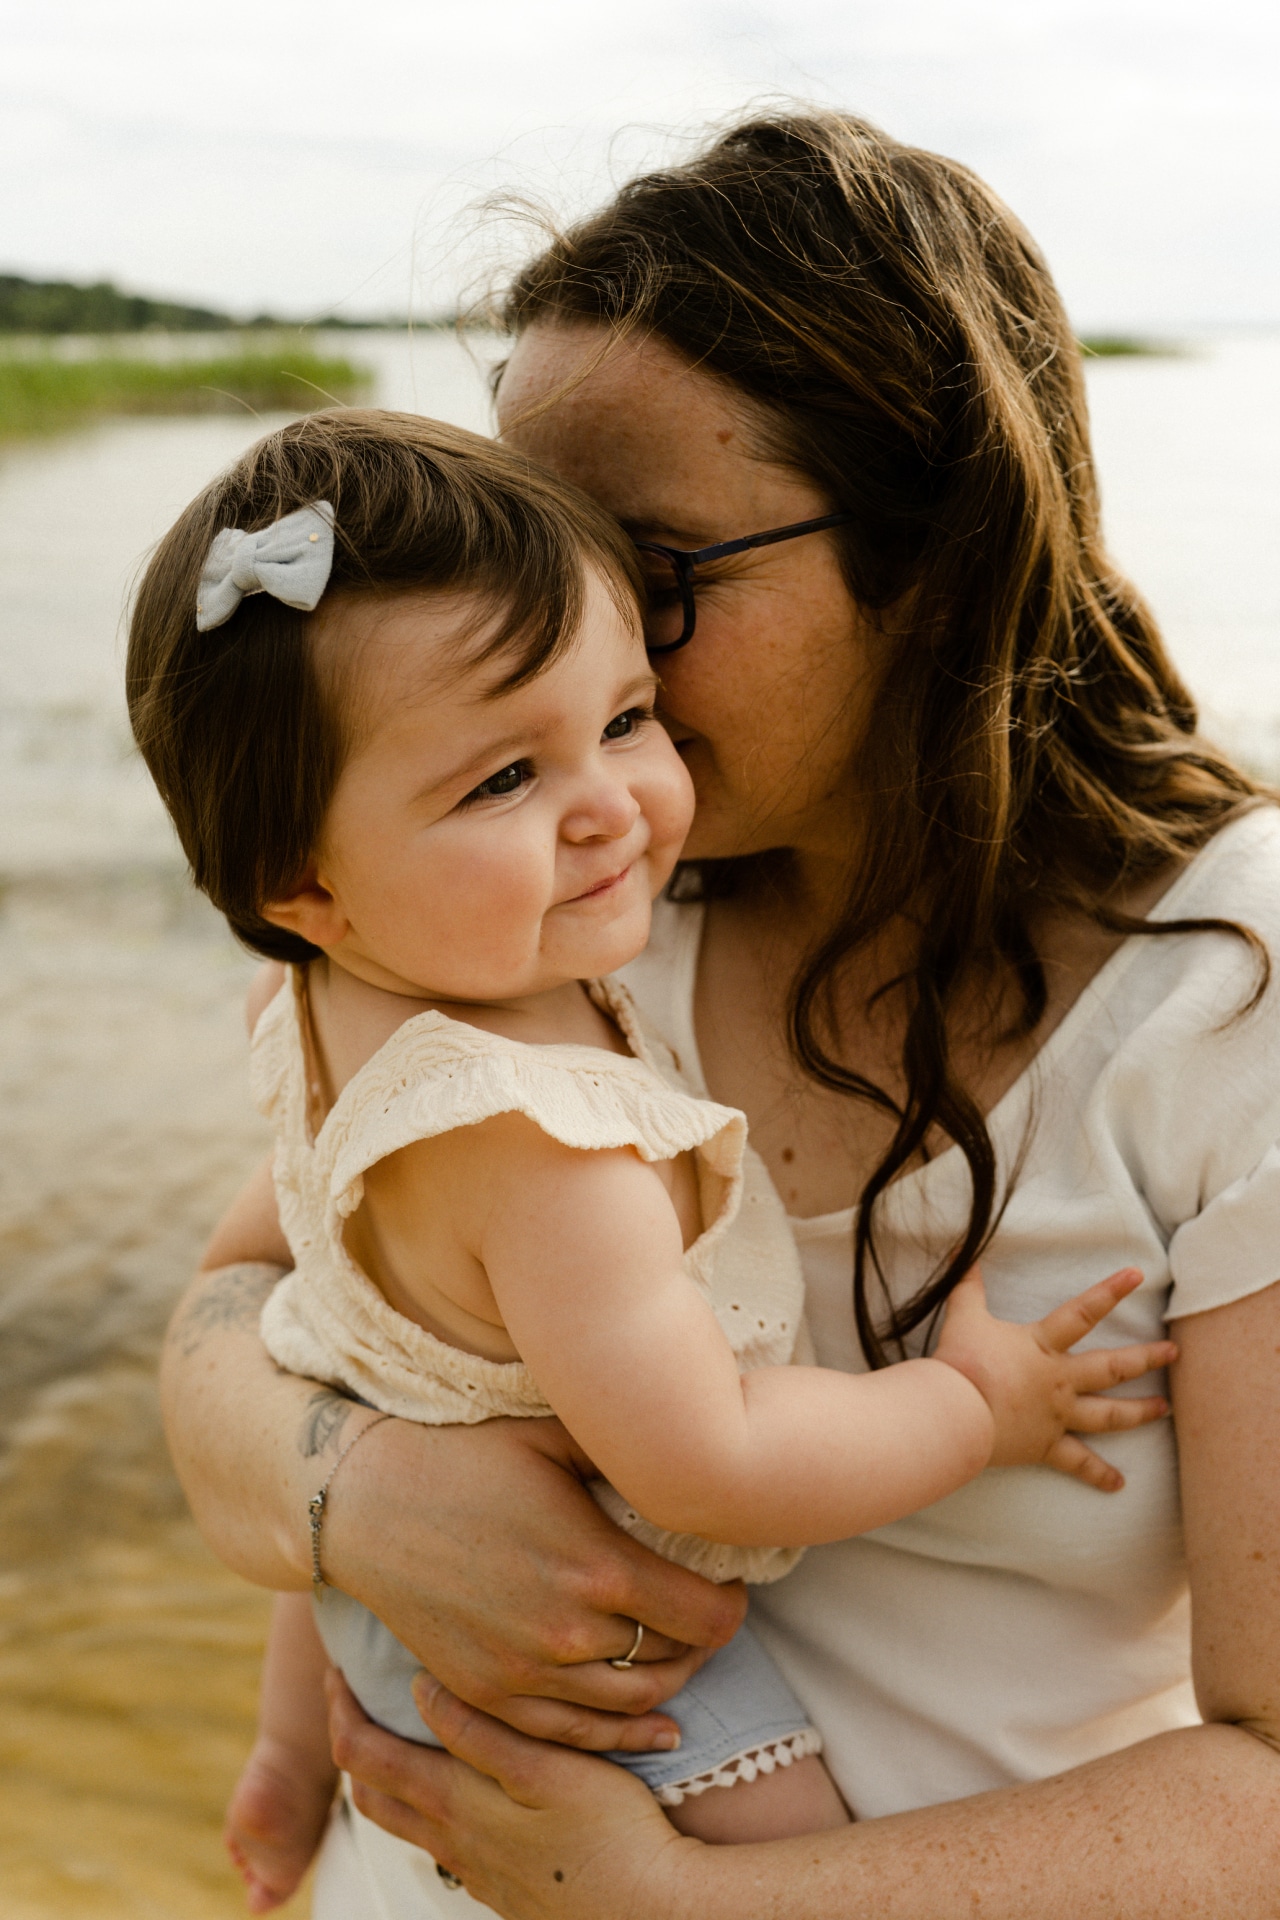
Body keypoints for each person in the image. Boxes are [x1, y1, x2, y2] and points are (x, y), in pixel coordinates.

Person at [164, 111, 1280, 1918]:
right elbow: (247, 1297)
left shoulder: (1238, 992)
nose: (566, 653)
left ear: (936, 555)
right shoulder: (567, 906)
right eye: (539, 560)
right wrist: (350, 1499)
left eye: (648, 578)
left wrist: (688, 1906)